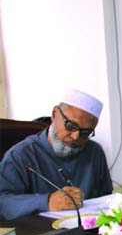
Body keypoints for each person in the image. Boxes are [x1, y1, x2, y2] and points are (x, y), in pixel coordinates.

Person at [0, 90, 113, 220]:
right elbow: (3, 203)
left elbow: (106, 198)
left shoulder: (95, 152)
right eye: (71, 126)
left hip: (88, 231)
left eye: (85, 132)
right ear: (54, 114)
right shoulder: (21, 155)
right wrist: (47, 202)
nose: (75, 136)